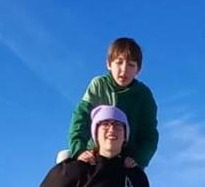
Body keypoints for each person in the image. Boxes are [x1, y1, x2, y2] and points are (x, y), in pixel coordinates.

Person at [67, 35, 158, 170]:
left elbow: (149, 133)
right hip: (94, 155)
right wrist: (79, 150)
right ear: (109, 64)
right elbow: (80, 118)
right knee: (64, 161)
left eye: (131, 65)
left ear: (138, 69)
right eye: (119, 62)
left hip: (126, 161)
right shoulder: (98, 85)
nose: (124, 69)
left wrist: (139, 158)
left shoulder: (144, 95)